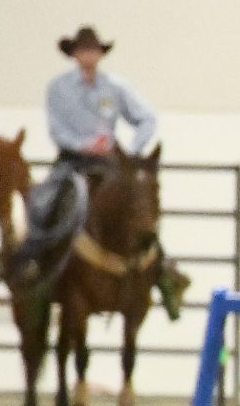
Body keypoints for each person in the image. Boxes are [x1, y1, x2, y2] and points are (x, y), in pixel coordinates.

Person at [27, 25, 185, 313]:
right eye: (84, 50)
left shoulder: (116, 86)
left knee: (139, 205)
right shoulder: (58, 88)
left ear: (100, 54)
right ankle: (35, 265)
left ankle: (162, 270)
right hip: (72, 161)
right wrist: (86, 144)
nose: (89, 55)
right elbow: (57, 130)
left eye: (94, 50)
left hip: (110, 164)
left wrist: (132, 151)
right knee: (43, 202)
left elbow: (147, 118)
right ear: (74, 54)